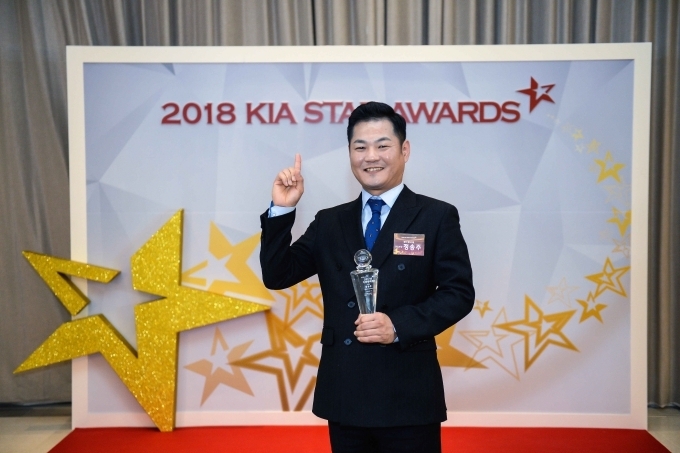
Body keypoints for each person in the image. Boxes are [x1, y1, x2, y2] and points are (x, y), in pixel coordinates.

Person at [259, 101, 474, 453]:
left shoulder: (435, 216)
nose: (370, 156)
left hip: (408, 394)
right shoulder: (330, 222)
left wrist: (398, 325)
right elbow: (277, 274)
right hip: (345, 393)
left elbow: (458, 293)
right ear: (349, 153)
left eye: (382, 145)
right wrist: (283, 208)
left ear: (404, 150)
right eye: (360, 147)